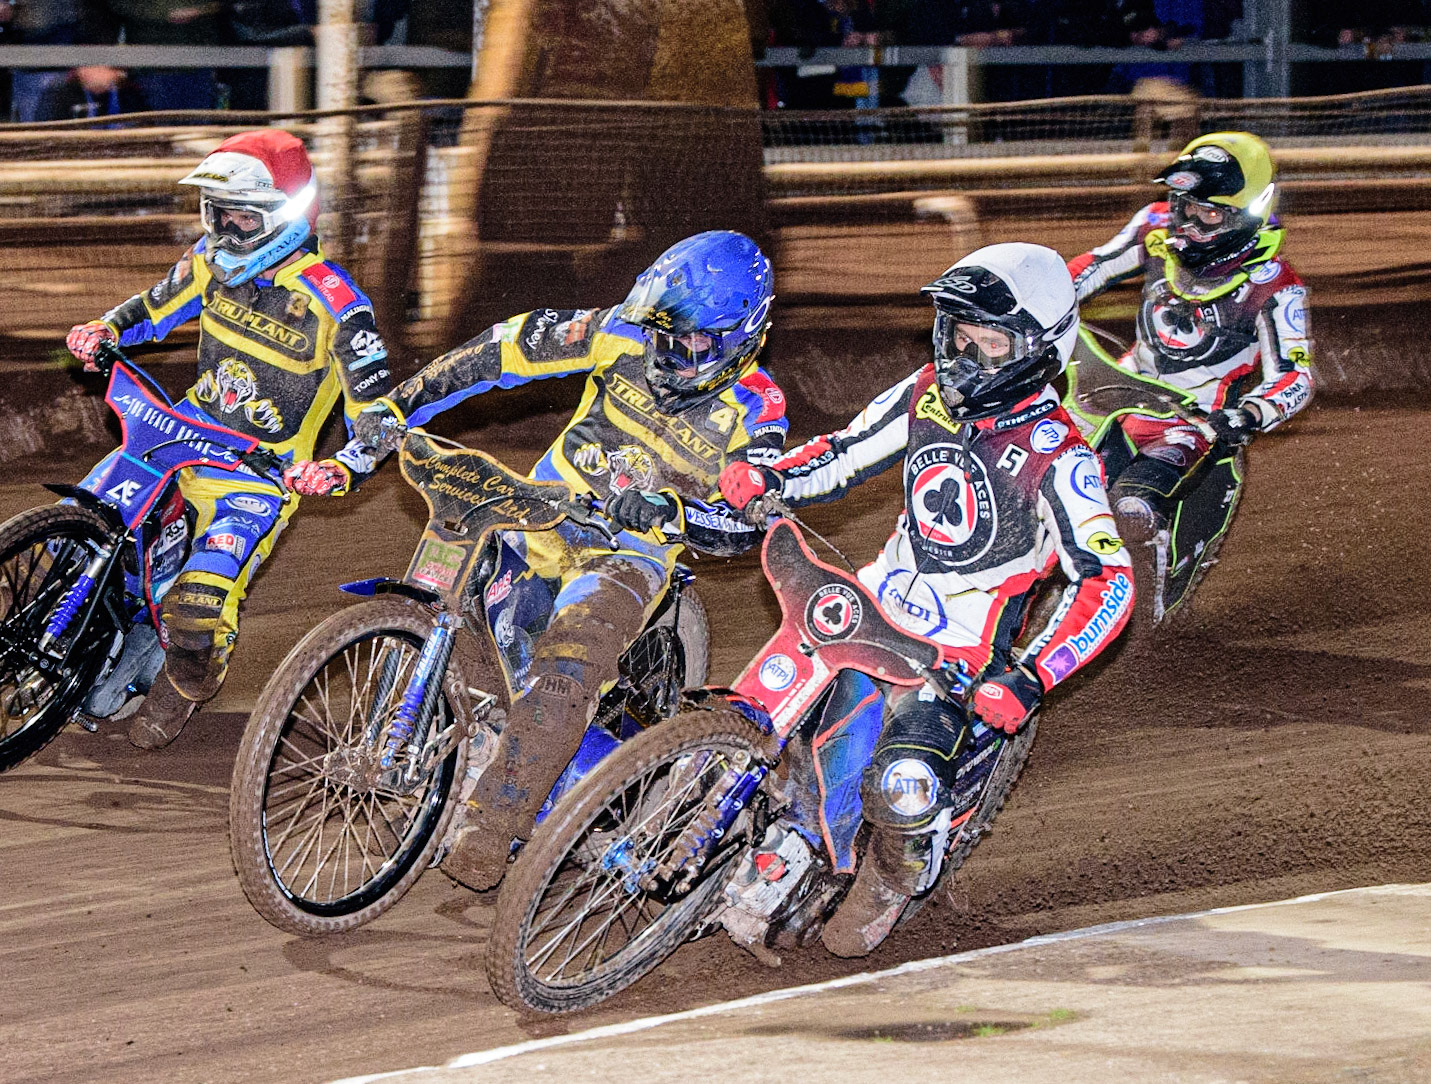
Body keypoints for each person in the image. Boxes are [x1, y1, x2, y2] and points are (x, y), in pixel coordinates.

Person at [285, 230, 789, 891]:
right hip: (540, 509)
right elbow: (498, 352)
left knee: (561, 676)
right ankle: (446, 745)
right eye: (662, 333)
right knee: (454, 604)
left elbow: (742, 527)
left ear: (743, 334)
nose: (668, 351)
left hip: (627, 553)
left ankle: (490, 831)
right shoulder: (620, 333)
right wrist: (389, 415)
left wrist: (670, 512)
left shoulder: (758, 408)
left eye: (691, 341)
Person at [718, 243, 1133, 957]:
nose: (964, 357)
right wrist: (769, 477)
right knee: (767, 715)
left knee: (901, 786)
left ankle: (895, 870)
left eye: (989, 342)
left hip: (959, 652)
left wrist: (1033, 675)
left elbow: (1107, 579)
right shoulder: (924, 393)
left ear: (1038, 350)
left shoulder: (1059, 454)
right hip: (871, 604)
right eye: (956, 335)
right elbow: (842, 452)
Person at [64, 128, 392, 749]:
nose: (227, 231)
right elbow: (152, 307)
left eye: (244, 217)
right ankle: (87, 638)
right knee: (73, 529)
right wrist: (104, 328)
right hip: (176, 437)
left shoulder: (340, 305)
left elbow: (378, 414)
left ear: (284, 216)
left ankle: (184, 686)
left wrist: (344, 465)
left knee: (198, 607)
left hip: (257, 476)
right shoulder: (209, 262)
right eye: (218, 214)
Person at [1067, 131, 1312, 543]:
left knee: (1132, 508)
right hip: (1113, 391)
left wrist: (1250, 414)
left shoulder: (1274, 286)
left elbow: (1295, 376)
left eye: (1209, 214)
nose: (1190, 223)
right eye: (1184, 206)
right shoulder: (1155, 225)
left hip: (1192, 418)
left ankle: (1143, 592)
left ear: (1246, 214)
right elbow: (1093, 267)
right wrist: (1031, 301)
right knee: (1039, 473)